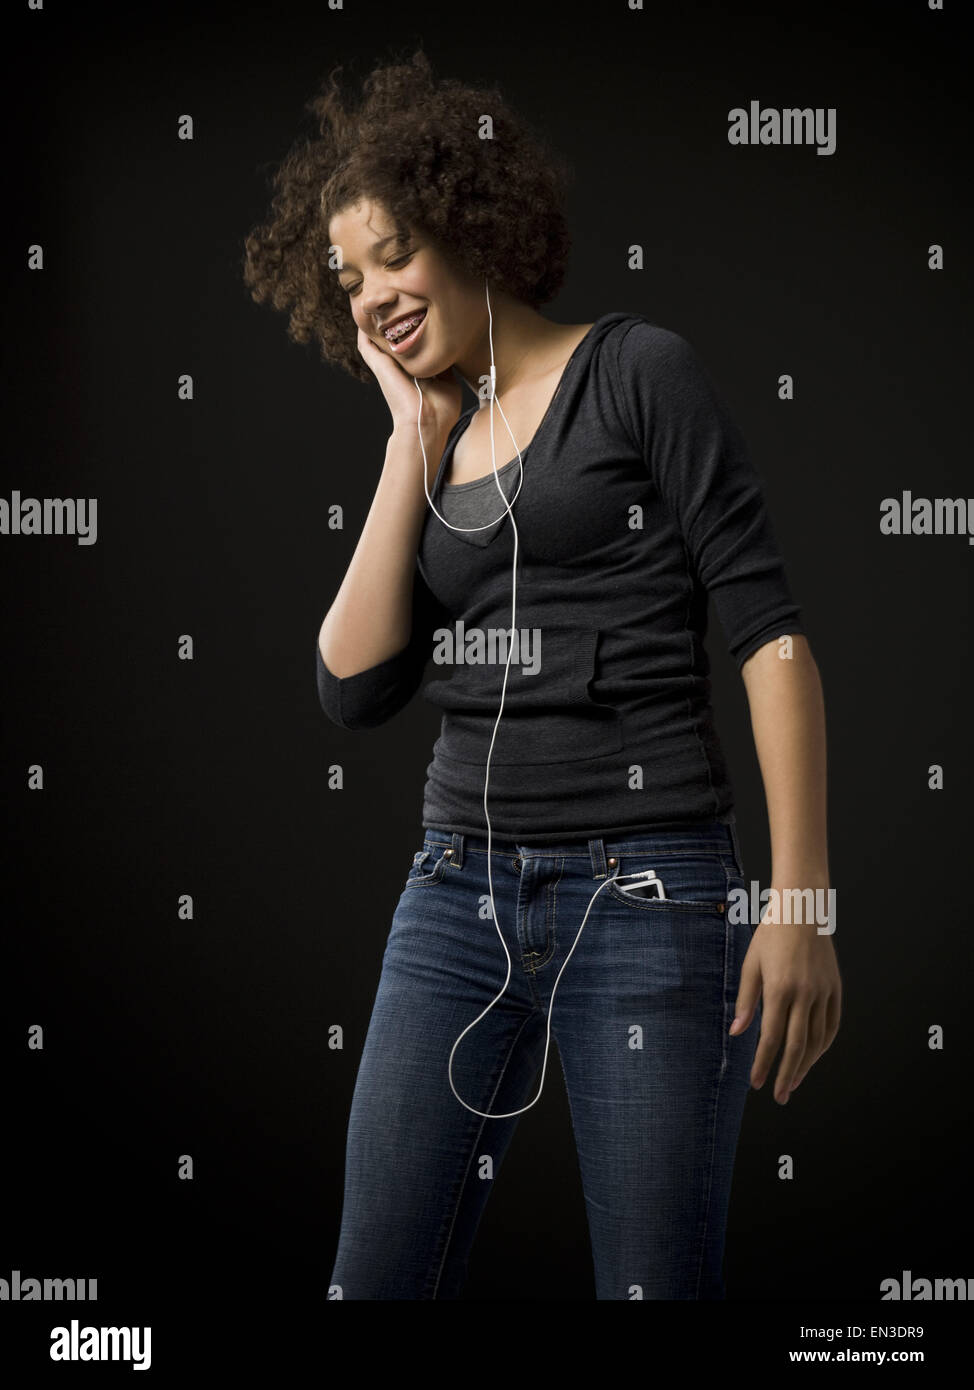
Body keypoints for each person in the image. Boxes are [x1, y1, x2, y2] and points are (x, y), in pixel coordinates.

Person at [242, 46, 841, 1301]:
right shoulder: (437, 441)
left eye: (393, 253)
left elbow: (769, 637)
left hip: (651, 894)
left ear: (472, 223)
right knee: (374, 1283)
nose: (373, 297)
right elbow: (350, 688)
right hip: (454, 894)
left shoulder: (635, 372)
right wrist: (410, 445)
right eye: (348, 280)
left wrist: (800, 903)